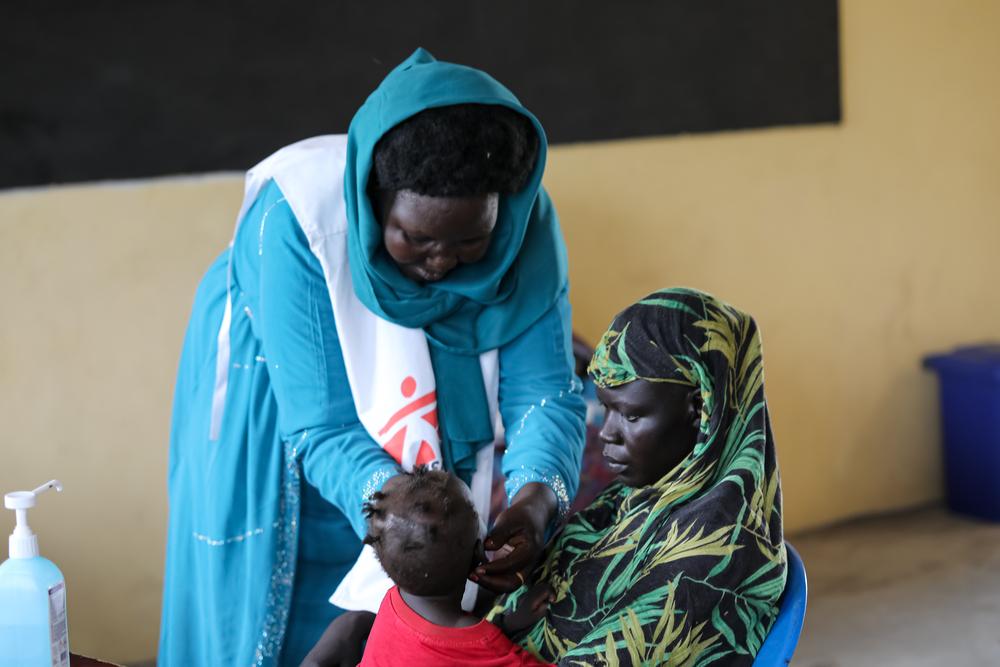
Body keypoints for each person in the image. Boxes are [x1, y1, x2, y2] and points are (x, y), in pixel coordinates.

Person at [159, 48, 585, 667]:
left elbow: (543, 392)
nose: (440, 264)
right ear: (374, 201)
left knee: (414, 590)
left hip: (387, 449)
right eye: (414, 238)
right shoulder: (299, 217)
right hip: (279, 404)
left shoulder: (527, 229)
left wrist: (534, 502)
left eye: (471, 241)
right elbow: (323, 422)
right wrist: (400, 510)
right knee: (280, 599)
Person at [487, 287, 787, 665]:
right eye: (606, 408)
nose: (607, 432)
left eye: (630, 416)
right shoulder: (637, 497)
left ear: (701, 408)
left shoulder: (713, 553)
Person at [348, 468, 550, 666]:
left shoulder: (392, 601)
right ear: (480, 551)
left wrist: (508, 625)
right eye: (474, 510)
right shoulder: (480, 643)